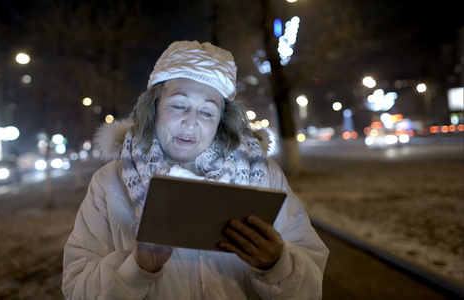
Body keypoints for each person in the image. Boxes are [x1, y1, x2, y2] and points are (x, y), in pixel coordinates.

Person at [62, 40, 328, 299]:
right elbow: (76, 288)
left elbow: (312, 287)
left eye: (207, 112)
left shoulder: (264, 176)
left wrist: (276, 265)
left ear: (222, 121)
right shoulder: (109, 183)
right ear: (154, 107)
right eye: (178, 105)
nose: (190, 123)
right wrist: (137, 268)